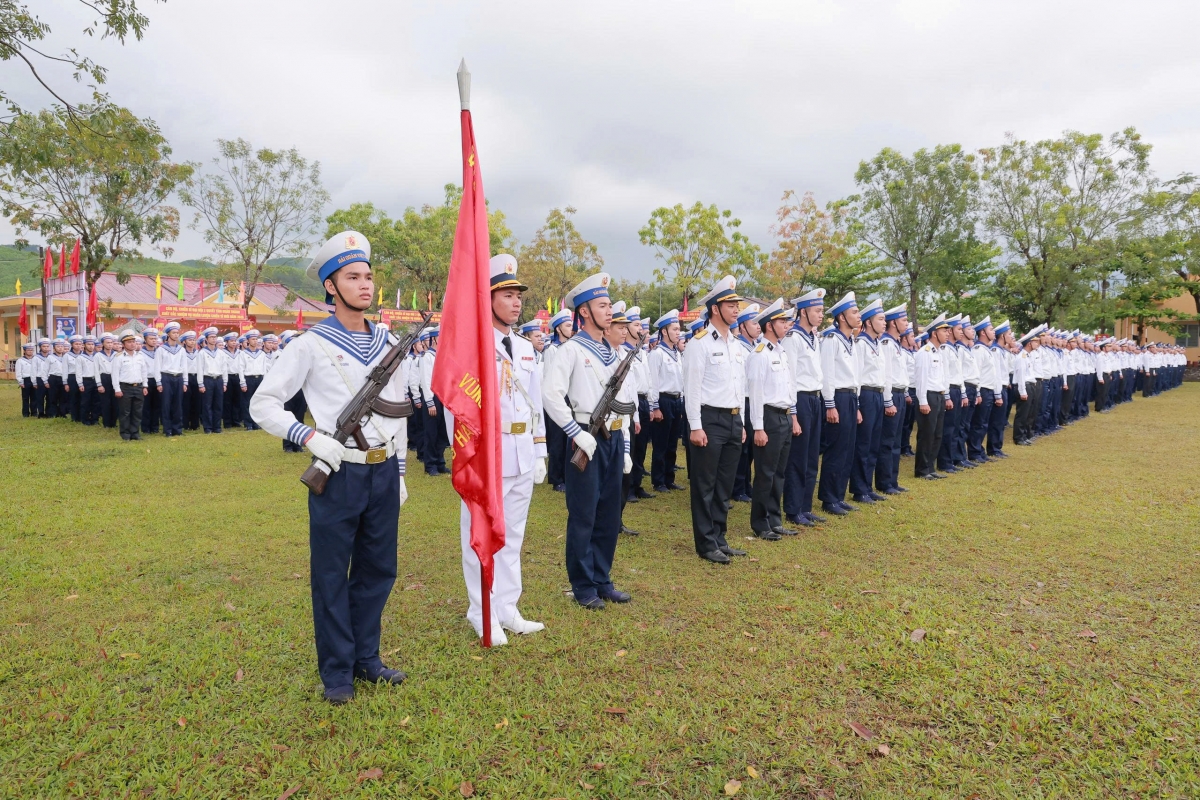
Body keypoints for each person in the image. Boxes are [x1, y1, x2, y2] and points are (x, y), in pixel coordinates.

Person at [251, 230, 409, 705]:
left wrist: (399, 475)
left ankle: (367, 658)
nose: (364, 285)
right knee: (330, 575)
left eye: (367, 276)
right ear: (331, 288)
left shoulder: (390, 341)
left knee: (379, 570)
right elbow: (264, 404)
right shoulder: (310, 344)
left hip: (382, 471)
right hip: (337, 472)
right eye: (351, 277)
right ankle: (338, 672)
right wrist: (310, 435)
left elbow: (399, 407)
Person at [458, 254, 548, 645]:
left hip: (522, 452)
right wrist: (467, 455)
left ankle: (507, 608)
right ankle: (482, 611)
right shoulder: (473, 348)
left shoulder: (526, 347)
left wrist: (541, 449)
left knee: (512, 537)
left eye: (518, 295)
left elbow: (536, 402)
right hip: (487, 457)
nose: (516, 302)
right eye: (507, 294)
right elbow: (458, 409)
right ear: (488, 297)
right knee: (481, 538)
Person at [543, 271, 634, 609]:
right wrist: (575, 433)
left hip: (613, 436)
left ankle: (602, 577)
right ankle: (582, 585)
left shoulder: (611, 351)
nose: (609, 311)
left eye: (609, 304)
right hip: (585, 436)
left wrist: (622, 439)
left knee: (609, 512)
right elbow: (551, 396)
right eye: (602, 305)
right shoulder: (570, 351)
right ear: (583, 312)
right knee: (584, 514)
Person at [682, 275, 749, 563]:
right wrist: (695, 426)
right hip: (709, 420)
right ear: (715, 309)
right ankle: (706, 543)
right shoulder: (700, 343)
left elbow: (740, 386)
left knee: (725, 485)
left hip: (733, 419)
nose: (736, 309)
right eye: (730, 304)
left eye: (737, 304)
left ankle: (720, 536)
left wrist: (742, 422)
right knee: (705, 484)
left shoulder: (736, 343)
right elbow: (692, 388)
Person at [746, 299, 800, 540]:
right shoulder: (760, 354)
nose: (787, 325)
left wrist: (793, 416)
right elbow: (755, 394)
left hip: (784, 416)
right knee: (765, 472)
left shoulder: (781, 351)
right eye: (782, 321)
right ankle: (760, 523)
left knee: (779, 472)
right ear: (769, 325)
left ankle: (774, 519)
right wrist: (758, 427)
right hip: (768, 417)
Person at [781, 289, 825, 527]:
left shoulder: (813, 338)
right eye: (817, 310)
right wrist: (794, 415)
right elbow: (790, 379)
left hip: (814, 398)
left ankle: (805, 507)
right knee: (798, 457)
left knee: (811, 456)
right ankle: (792, 508)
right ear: (804, 311)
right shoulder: (793, 338)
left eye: (821, 310)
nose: (821, 315)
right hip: (800, 399)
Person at [817, 292, 862, 516]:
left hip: (851, 397)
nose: (859, 315)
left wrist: (859, 404)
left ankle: (839, 495)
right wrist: (830, 404)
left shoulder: (851, 340)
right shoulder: (831, 339)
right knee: (835, 449)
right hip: (838, 397)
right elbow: (828, 374)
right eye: (854, 312)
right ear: (842, 317)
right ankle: (828, 498)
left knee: (848, 448)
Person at [849, 298, 890, 504]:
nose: (884, 323)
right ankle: (859, 489)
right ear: (868, 322)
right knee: (863, 444)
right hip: (865, 394)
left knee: (874, 443)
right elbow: (856, 376)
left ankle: (868, 486)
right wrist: (857, 404)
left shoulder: (878, 344)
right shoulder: (861, 344)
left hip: (878, 394)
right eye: (880, 319)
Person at [647, 309, 685, 494]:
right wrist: (654, 406)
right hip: (663, 400)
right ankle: (659, 480)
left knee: (672, 443)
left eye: (679, 329)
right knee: (661, 444)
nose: (678, 332)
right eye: (675, 329)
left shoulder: (676, 353)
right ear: (664, 331)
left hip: (676, 400)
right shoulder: (657, 354)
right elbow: (653, 382)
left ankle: (670, 478)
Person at [913, 315, 953, 479]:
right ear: (934, 333)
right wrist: (922, 400)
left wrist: (946, 395)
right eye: (944, 330)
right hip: (928, 396)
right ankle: (922, 470)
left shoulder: (939, 352)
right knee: (926, 434)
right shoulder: (925, 352)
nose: (948, 333)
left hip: (939, 395)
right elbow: (921, 379)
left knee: (937, 434)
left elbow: (943, 377)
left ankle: (930, 467)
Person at [875, 304, 909, 495]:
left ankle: (892, 480)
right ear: (893, 323)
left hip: (899, 393)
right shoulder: (887, 343)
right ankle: (884, 482)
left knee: (896, 440)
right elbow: (886, 374)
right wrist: (888, 401)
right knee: (887, 441)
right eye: (903, 320)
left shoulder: (895, 343)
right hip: (891, 394)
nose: (907, 323)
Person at [541, 308, 574, 492]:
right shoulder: (552, 350)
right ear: (559, 329)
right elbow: (549, 378)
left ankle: (566, 475)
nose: (571, 328)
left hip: (570, 398)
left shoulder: (570, 347)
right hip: (557, 399)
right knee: (557, 440)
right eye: (568, 325)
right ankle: (556, 478)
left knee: (568, 439)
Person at [731, 303, 761, 504]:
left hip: (755, 399)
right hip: (743, 400)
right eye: (754, 322)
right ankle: (738, 487)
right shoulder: (737, 346)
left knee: (751, 447)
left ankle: (746, 485)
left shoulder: (756, 346)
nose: (758, 326)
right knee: (742, 448)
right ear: (742, 327)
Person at [419, 327, 451, 476]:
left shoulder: (444, 355)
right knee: (431, 433)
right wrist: (430, 402)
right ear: (435, 338)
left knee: (443, 433)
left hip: (445, 397)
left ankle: (440, 462)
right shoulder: (427, 357)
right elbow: (426, 381)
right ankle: (430, 464)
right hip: (433, 397)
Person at [112, 330, 148, 441]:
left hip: (138, 386)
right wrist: (117, 389)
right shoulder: (119, 357)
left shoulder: (140, 356)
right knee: (125, 412)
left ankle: (135, 433)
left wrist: (145, 386)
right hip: (125, 387)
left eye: (134, 341)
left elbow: (144, 372)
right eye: (129, 342)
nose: (132, 344)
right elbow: (115, 375)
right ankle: (125, 434)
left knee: (137, 412)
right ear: (123, 344)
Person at [985, 321, 1012, 458]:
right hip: (997, 388)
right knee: (996, 421)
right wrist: (998, 394)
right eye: (1009, 334)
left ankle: (997, 447)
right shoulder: (995, 350)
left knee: (1000, 420)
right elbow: (995, 374)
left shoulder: (1001, 351)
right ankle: (993, 448)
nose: (1011, 336)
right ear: (1002, 336)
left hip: (1002, 387)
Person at [156, 322, 187, 437]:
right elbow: (157, 367)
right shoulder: (161, 349)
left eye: (177, 333)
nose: (176, 335)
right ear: (168, 334)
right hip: (166, 377)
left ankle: (177, 429)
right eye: (173, 333)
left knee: (178, 404)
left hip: (178, 378)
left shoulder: (181, 349)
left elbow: (184, 367)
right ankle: (167, 429)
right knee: (166, 404)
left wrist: (185, 381)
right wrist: (159, 382)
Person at [197, 327, 227, 434]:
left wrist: (225, 382)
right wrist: (201, 384)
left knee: (218, 404)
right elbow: (200, 369)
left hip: (218, 379)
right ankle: (208, 427)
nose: (214, 339)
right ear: (206, 339)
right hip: (207, 379)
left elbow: (224, 368)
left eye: (215, 337)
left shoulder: (221, 353)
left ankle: (217, 426)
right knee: (207, 405)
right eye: (211, 337)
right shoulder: (202, 353)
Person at [238, 329, 268, 431]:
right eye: (253, 339)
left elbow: (264, 369)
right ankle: (248, 423)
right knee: (247, 402)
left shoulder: (261, 354)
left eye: (256, 339)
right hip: (248, 378)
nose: (255, 341)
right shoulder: (243, 354)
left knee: (257, 402)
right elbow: (241, 369)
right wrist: (242, 382)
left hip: (259, 378)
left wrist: (265, 381)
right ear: (248, 341)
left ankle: (256, 422)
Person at [140, 328, 162, 435]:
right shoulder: (140, 353)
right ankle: (146, 427)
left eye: (155, 338)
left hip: (158, 380)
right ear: (145, 339)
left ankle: (155, 427)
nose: (154, 341)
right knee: (146, 405)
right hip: (146, 380)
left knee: (157, 404)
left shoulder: (160, 352)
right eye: (151, 338)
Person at [75, 335, 100, 426]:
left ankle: (95, 419)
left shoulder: (97, 356)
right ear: (84, 345)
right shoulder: (80, 357)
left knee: (96, 401)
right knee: (85, 401)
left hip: (96, 380)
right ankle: (85, 419)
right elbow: (78, 372)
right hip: (86, 381)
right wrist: (80, 384)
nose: (91, 346)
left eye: (92, 344)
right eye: (88, 344)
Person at [182, 331, 203, 431]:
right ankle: (185, 423)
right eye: (190, 340)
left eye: (194, 340)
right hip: (186, 378)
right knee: (186, 402)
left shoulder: (198, 353)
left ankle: (195, 424)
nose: (192, 342)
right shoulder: (181, 353)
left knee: (197, 401)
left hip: (197, 377)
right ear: (184, 342)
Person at [96, 333, 118, 428]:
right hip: (104, 377)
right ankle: (106, 423)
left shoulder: (117, 355)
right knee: (105, 402)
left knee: (115, 401)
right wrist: (99, 384)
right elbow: (96, 371)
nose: (110, 344)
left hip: (115, 378)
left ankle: (113, 422)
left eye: (111, 342)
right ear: (102, 344)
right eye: (107, 342)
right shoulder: (98, 355)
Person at [65, 335, 83, 422]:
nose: (78, 346)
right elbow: (64, 369)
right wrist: (65, 383)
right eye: (76, 344)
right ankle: (74, 416)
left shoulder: (84, 355)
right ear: (72, 345)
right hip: (72, 377)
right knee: (73, 397)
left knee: (83, 397)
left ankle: (82, 415)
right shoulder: (67, 355)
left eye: (80, 344)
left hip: (83, 377)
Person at [33, 339, 52, 418]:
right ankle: (40, 413)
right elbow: (33, 370)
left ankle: (48, 413)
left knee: (49, 397)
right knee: (40, 397)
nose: (46, 348)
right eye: (44, 346)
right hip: (39, 379)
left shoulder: (51, 357)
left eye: (47, 346)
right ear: (40, 347)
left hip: (50, 378)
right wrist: (34, 382)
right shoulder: (36, 358)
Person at [16, 342, 35, 417]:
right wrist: (20, 381)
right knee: (25, 398)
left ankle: (34, 413)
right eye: (28, 350)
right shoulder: (20, 360)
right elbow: (18, 372)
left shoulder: (35, 359)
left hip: (34, 379)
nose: (30, 351)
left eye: (31, 350)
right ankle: (26, 413)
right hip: (25, 380)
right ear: (24, 351)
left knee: (34, 397)